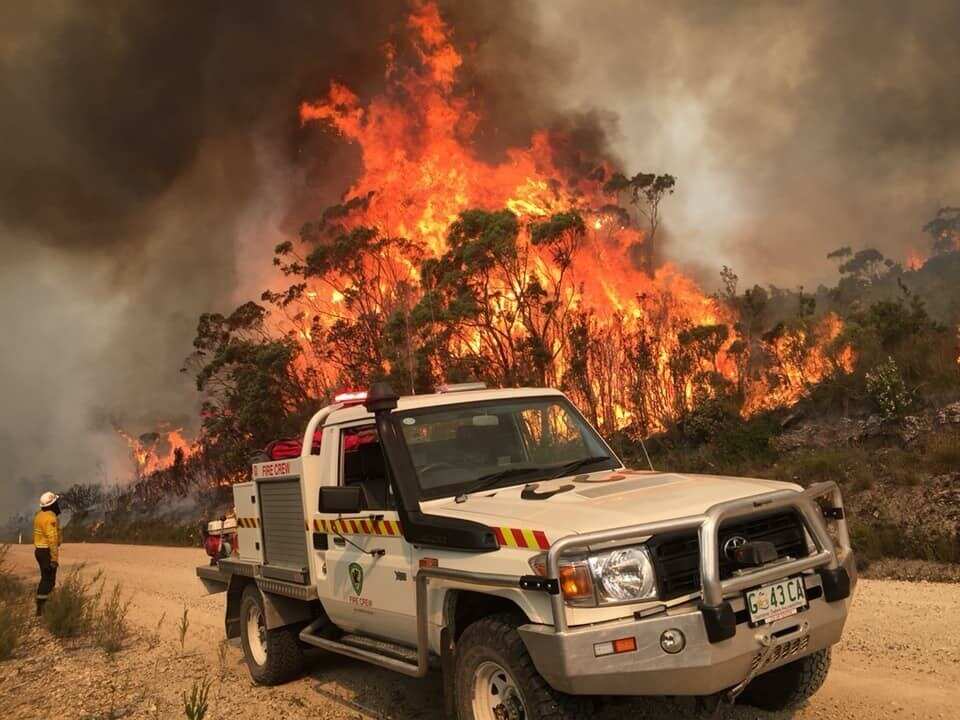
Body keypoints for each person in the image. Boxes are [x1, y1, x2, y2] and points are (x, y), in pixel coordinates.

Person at [33, 491, 62, 617]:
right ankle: (42, 609)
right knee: (49, 580)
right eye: (56, 503)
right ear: (52, 505)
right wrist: (54, 559)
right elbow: (52, 540)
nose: (58, 505)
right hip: (46, 552)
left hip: (39, 550)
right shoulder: (50, 518)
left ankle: (41, 606)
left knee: (45, 578)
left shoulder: (39, 515)